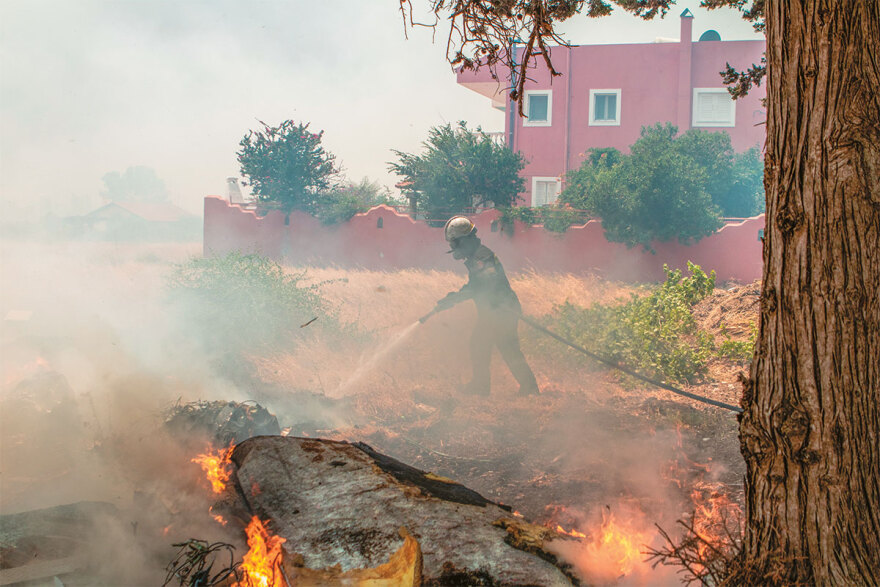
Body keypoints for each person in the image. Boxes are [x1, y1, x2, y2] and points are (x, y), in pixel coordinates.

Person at [424, 215, 539, 396]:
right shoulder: (476, 256)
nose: (454, 249)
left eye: (455, 244)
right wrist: (453, 298)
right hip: (494, 310)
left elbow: (486, 285)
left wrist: (456, 298)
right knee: (482, 345)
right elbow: (475, 285)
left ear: (465, 240)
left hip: (502, 309)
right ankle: (485, 386)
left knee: (506, 348)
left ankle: (526, 388)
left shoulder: (481, 257)